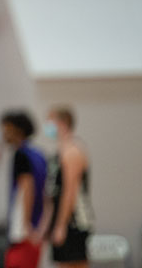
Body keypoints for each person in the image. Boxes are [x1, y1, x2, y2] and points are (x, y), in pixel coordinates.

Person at [37, 106, 93, 268]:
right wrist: (46, 224)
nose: (47, 126)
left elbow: (70, 191)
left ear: (62, 123)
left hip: (74, 221)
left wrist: (61, 225)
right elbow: (52, 193)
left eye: (50, 121)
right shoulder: (58, 153)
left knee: (74, 263)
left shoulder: (73, 152)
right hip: (59, 220)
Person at [0, 110, 47, 268]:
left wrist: (27, 225)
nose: (3, 133)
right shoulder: (39, 155)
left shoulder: (21, 155)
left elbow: (27, 188)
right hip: (37, 229)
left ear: (17, 129)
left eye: (6, 129)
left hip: (23, 232)